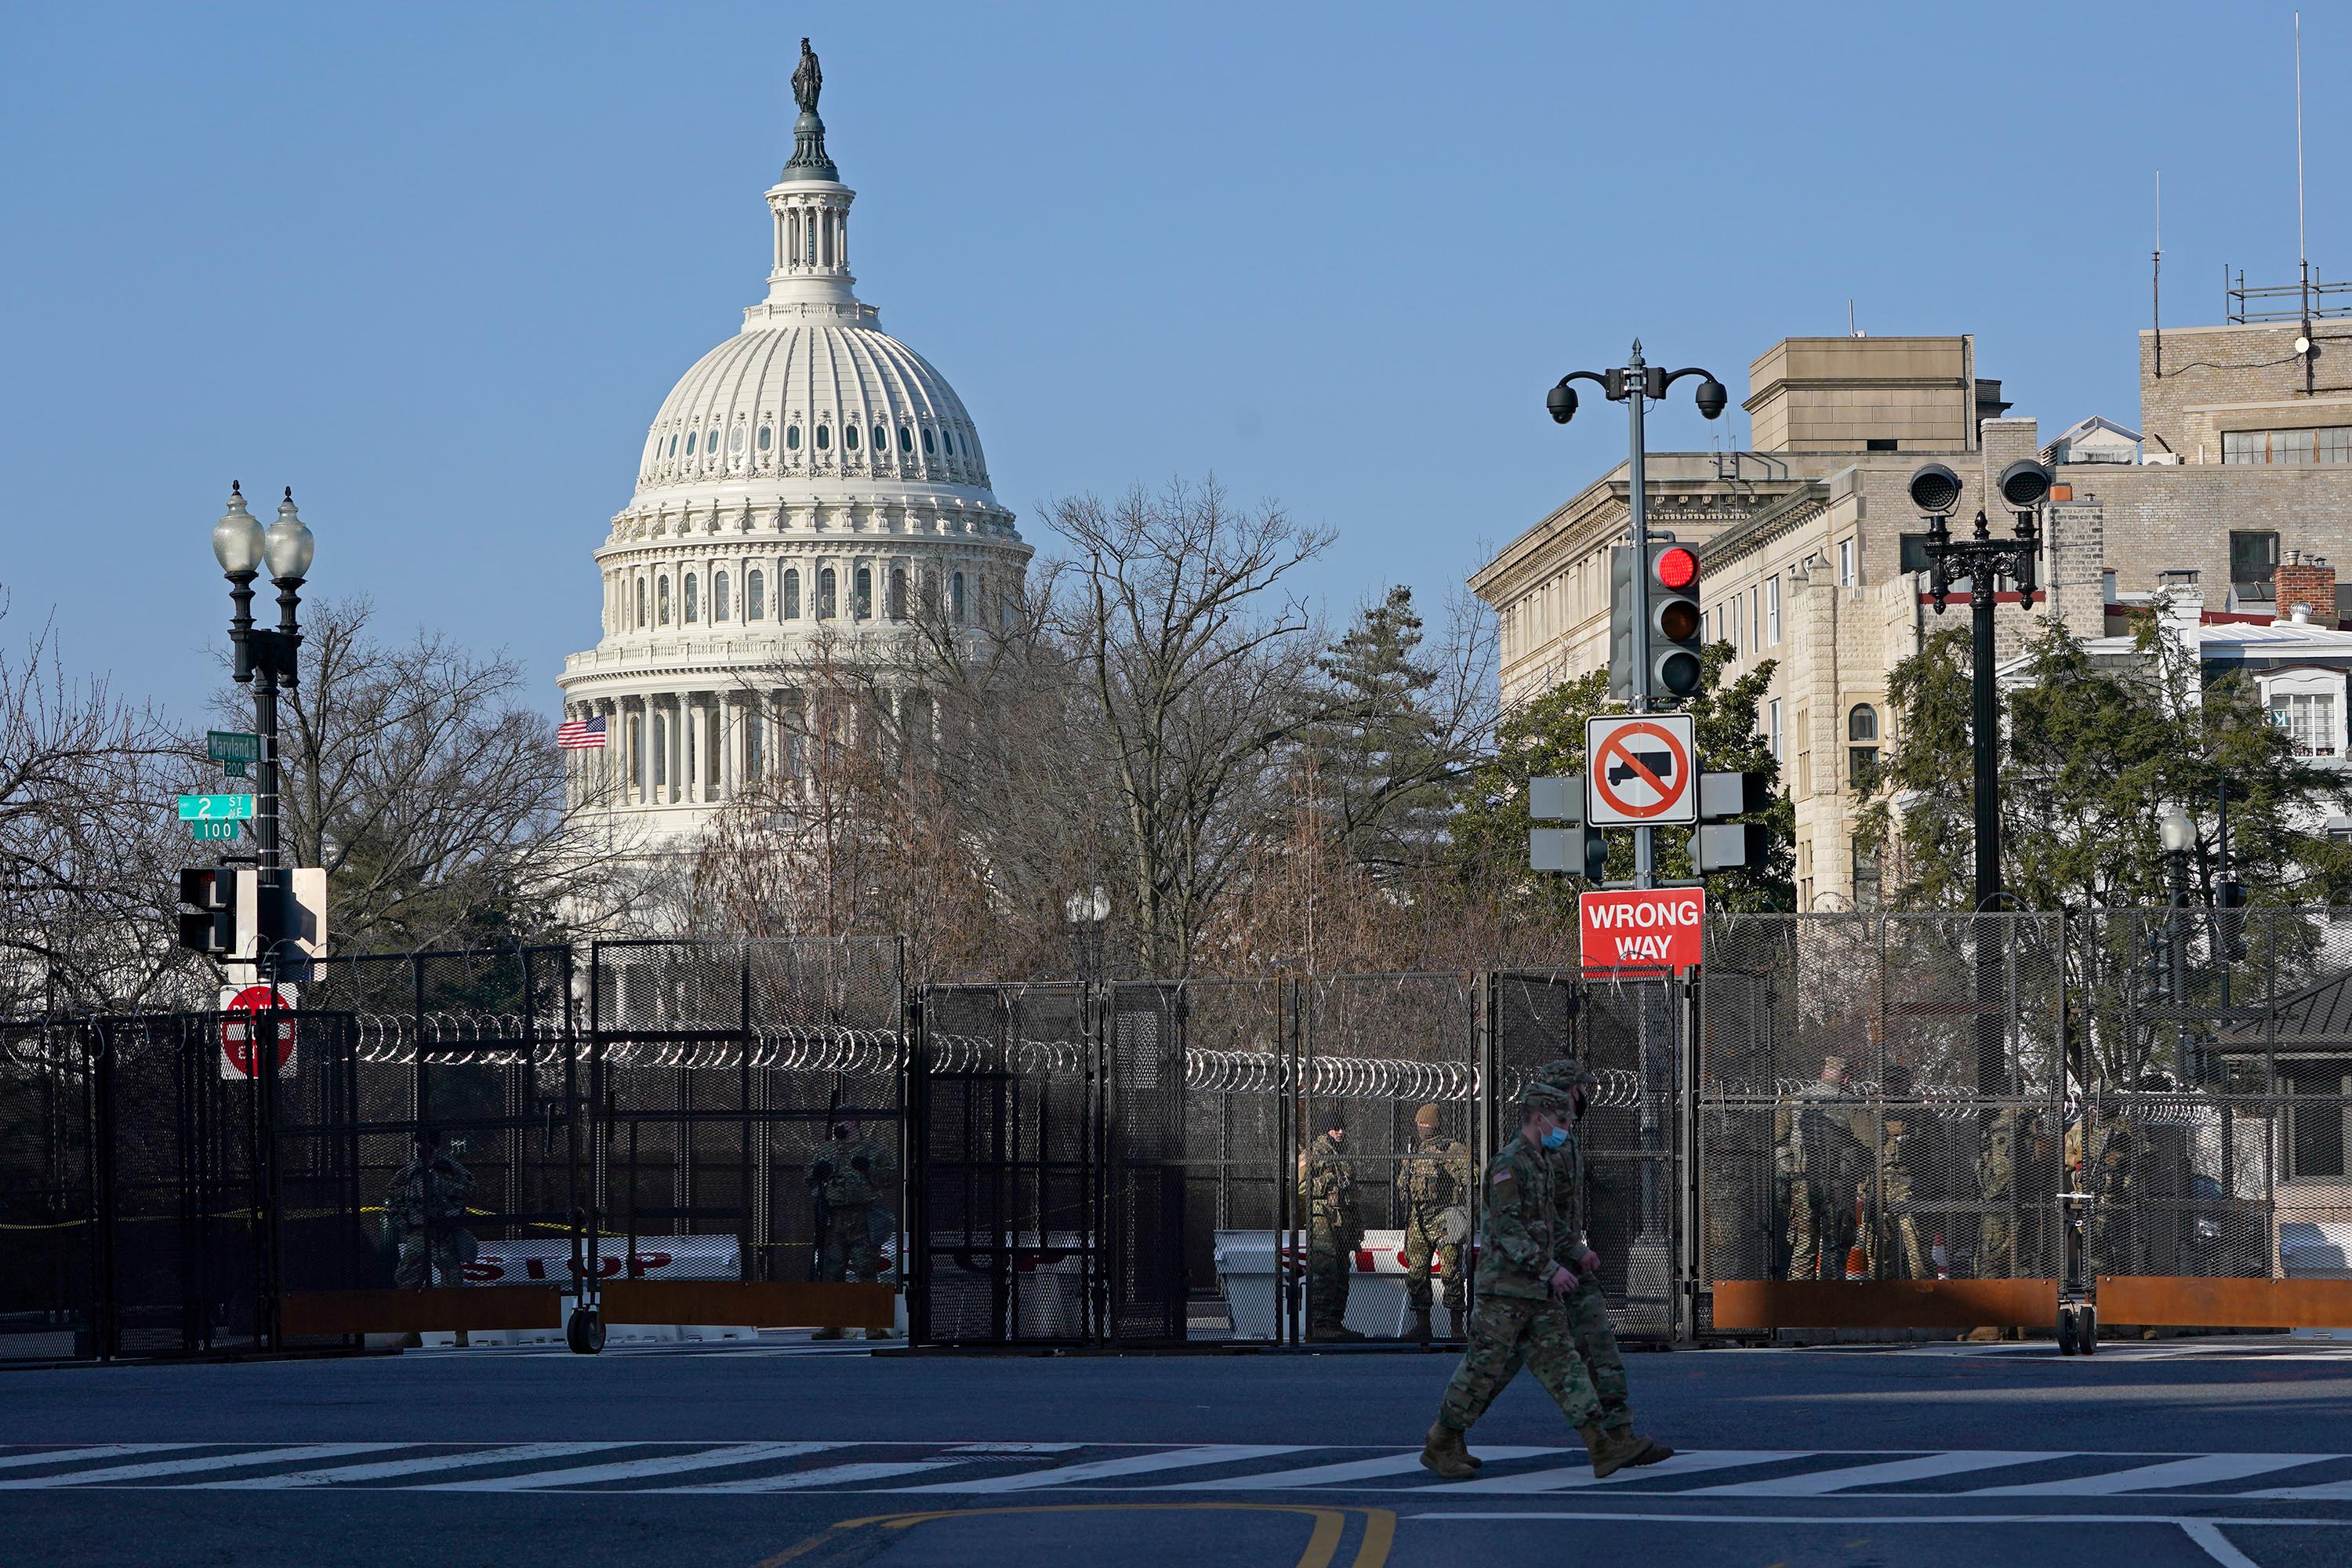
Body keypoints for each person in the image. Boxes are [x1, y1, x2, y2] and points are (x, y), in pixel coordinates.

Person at [1421, 1061, 1674, 1482]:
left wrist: (1574, 1251)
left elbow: (1551, 1220)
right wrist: (1552, 1267)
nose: (1571, 1119)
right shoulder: (1512, 1163)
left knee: (1567, 1365)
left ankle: (1605, 1443)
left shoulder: (1542, 1157)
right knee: (1486, 1368)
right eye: (1564, 1113)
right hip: (1509, 1287)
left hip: (1543, 1283)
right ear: (1542, 1114)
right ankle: (1444, 1438)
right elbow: (1509, 1227)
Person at [807, 1116, 898, 1341]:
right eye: (838, 1121)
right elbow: (809, 1178)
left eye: (846, 1121)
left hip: (862, 1218)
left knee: (866, 1271)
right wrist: (817, 1174)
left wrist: (869, 1169)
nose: (841, 1126)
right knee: (832, 1273)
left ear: (856, 1123)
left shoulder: (874, 1150)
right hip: (835, 1218)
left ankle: (874, 1325)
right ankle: (834, 1325)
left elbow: (891, 1178)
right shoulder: (826, 1150)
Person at [1778, 1054, 1862, 1279]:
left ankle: (1799, 1304)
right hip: (1837, 1182)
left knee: (1804, 1245)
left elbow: (1779, 1139)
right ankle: (1830, 1303)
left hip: (1803, 1181)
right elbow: (1867, 1140)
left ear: (1823, 1073)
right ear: (1845, 1079)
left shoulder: (1797, 1099)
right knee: (1834, 1246)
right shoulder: (1849, 1102)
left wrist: (1789, 1169)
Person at [1399, 1102, 1473, 1341]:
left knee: (1451, 1273)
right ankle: (1423, 1326)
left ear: (1436, 1124)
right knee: (1417, 1272)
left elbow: (1472, 1178)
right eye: (1419, 1123)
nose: (1422, 1127)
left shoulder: (1453, 1149)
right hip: (1419, 1219)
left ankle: (1456, 1328)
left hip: (1446, 1217)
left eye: (1426, 1123)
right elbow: (1403, 1187)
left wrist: (1451, 1167)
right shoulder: (1415, 1151)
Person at [386, 1130, 475, 1290]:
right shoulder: (412, 1169)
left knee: (452, 1277)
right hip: (418, 1231)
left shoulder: (448, 1167)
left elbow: (471, 1189)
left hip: (442, 1232)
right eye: (417, 1144)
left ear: (434, 1146)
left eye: (423, 1144)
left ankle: (447, 1309)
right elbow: (392, 1190)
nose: (419, 1147)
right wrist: (406, 1202)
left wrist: (444, 1187)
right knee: (407, 1278)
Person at [1301, 1112, 1362, 1341]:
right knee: (1324, 1272)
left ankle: (1336, 1323)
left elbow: (1353, 1194)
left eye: (1341, 1128)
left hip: (1343, 1222)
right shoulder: (1314, 1153)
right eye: (1336, 1128)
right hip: (1322, 1220)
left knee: (1342, 1274)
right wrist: (1328, 1181)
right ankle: (1320, 1324)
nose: (1340, 1132)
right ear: (1326, 1130)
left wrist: (1357, 1225)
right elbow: (1301, 1187)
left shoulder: (1343, 1156)